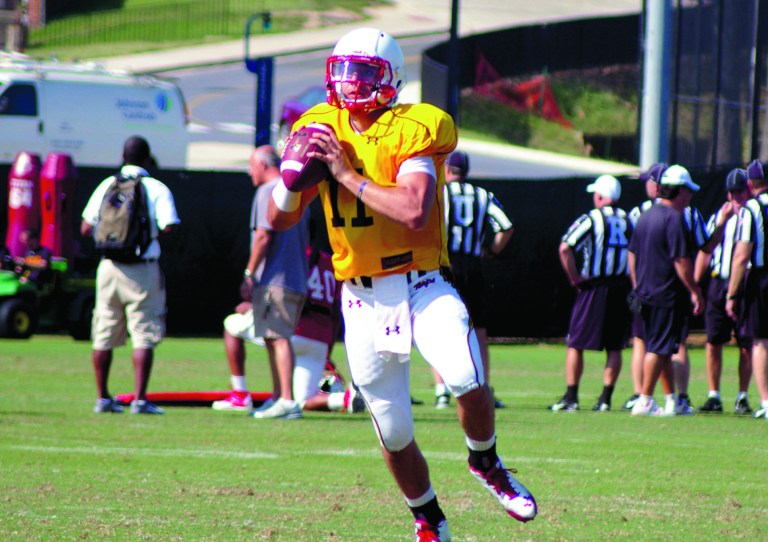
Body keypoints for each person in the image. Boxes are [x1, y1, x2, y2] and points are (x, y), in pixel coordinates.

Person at [266, 28, 537, 540]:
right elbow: (280, 222)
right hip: (361, 298)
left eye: (362, 72)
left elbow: (413, 210)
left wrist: (344, 174)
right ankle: (429, 518)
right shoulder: (319, 124)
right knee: (393, 430)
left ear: (390, 78)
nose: (349, 83)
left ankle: (486, 461)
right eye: (341, 70)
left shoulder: (415, 126)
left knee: (465, 376)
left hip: (420, 283)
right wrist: (291, 176)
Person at [81, 136, 180, 415]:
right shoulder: (155, 187)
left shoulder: (107, 185)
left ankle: (102, 398)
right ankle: (139, 399)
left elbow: (85, 228)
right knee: (143, 333)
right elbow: (169, 225)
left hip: (108, 268)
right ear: (148, 159)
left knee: (103, 332)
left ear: (123, 157)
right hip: (142, 269)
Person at [215, 145, 309, 419]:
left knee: (278, 338)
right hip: (293, 278)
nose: (249, 171)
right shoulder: (294, 191)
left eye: (251, 165)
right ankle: (278, 396)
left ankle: (288, 401)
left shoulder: (267, 191)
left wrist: (249, 273)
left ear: (265, 166)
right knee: (271, 337)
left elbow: (263, 237)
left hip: (276, 279)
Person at [213, 246, 363, 413]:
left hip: (294, 330)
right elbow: (335, 312)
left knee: (231, 324)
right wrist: (328, 348)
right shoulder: (330, 262)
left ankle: (240, 394)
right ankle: (347, 397)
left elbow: (284, 295)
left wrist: (255, 308)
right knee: (303, 401)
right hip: (320, 338)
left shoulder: (291, 256)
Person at [434, 150, 514, 409]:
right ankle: (484, 388)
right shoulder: (483, 196)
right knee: (478, 329)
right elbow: (506, 226)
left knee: (438, 326)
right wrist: (491, 250)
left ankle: (441, 391)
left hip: (446, 264)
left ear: (447, 170)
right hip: (474, 265)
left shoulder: (441, 192)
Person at [550, 175, 632, 412]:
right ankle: (605, 399)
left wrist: (574, 277)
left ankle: (571, 397)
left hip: (594, 286)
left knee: (575, 342)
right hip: (621, 286)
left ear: (599, 196)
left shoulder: (591, 218)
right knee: (615, 346)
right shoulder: (630, 220)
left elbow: (565, 246)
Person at [627, 165, 704, 416]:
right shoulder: (673, 219)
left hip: (647, 293)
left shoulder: (647, 214)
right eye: (688, 191)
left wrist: (637, 285)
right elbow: (681, 261)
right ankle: (646, 399)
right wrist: (694, 290)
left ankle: (672, 400)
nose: (690, 196)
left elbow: (632, 254)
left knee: (664, 348)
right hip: (665, 295)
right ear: (678, 191)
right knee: (659, 349)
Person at [695, 168, 752, 414]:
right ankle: (714, 394)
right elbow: (705, 250)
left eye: (739, 191)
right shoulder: (719, 215)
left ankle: (742, 395)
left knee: (746, 342)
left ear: (748, 190)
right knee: (713, 340)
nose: (735, 196)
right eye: (731, 192)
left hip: (746, 283)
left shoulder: (756, 214)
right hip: (719, 282)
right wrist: (695, 284)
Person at [727, 159, 768, 420]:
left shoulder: (751, 209)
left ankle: (766, 400)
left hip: (762, 278)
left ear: (750, 185)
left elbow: (742, 255)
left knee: (760, 341)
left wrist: (731, 294)